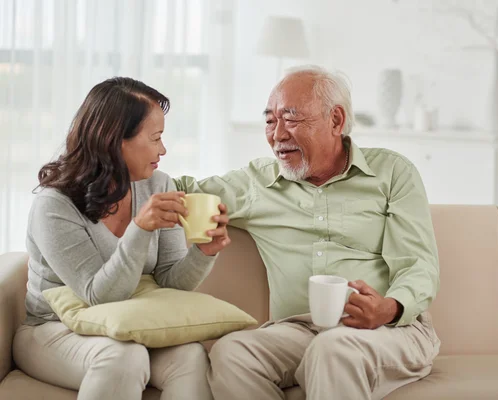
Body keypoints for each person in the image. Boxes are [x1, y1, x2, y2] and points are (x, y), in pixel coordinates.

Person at [174, 65, 441, 400]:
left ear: (336, 121)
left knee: (333, 349)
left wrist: (388, 307)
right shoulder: (257, 182)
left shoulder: (393, 173)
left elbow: (418, 265)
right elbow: (183, 192)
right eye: (270, 120)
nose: (278, 134)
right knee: (232, 353)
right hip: (298, 330)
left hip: (388, 329)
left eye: (292, 118)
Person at [13, 77, 230, 400]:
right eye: (155, 138)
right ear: (115, 140)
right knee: (123, 357)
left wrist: (203, 252)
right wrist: (139, 230)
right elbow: (97, 295)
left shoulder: (158, 186)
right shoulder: (54, 204)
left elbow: (171, 281)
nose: (163, 149)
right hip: (53, 329)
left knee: (190, 356)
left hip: (128, 325)